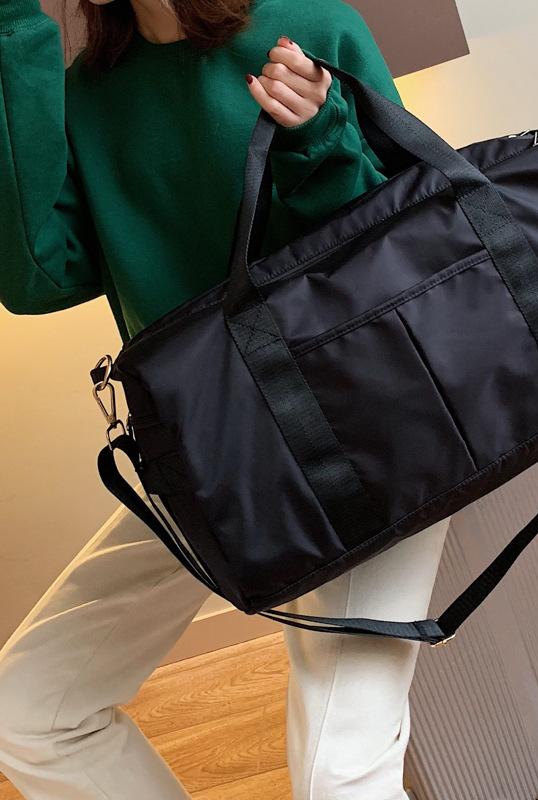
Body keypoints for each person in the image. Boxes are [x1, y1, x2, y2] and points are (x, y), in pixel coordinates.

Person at [0, 0, 452, 797]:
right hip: (210, 451)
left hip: (367, 429)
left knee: (340, 773)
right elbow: (37, 276)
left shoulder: (311, 26)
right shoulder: (84, 95)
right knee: (26, 711)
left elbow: (411, 249)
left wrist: (320, 137)